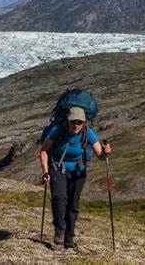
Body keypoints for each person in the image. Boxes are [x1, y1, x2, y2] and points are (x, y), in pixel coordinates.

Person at [39, 107, 111, 249]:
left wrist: (106, 152)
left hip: (78, 172)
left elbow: (101, 156)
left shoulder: (88, 133)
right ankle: (60, 231)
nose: (76, 125)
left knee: (73, 205)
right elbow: (43, 151)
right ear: (68, 121)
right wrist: (46, 172)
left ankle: (69, 238)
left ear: (84, 123)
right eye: (73, 122)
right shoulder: (58, 131)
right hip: (57, 169)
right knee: (59, 198)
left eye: (79, 122)